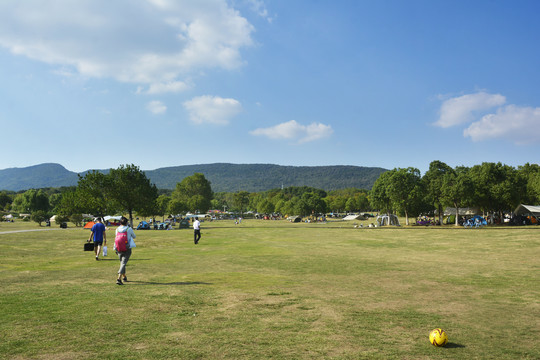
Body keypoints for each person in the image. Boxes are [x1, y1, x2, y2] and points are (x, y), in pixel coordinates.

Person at [115, 216, 136, 285]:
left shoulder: (117, 229)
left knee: (122, 262)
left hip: (118, 248)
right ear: (126, 222)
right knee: (123, 263)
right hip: (127, 248)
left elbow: (116, 238)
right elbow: (134, 236)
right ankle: (118, 278)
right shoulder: (129, 229)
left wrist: (115, 248)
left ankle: (124, 277)